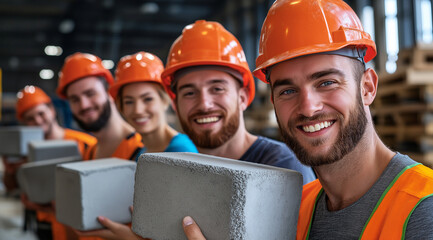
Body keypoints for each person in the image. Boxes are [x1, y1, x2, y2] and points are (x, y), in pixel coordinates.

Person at [184, 0, 433, 239]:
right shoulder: (298, 209)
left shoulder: (423, 208)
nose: (308, 108)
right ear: (273, 102)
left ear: (367, 87)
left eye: (326, 83)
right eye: (288, 91)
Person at [77, 20, 315, 240]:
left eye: (217, 89)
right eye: (189, 93)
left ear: (243, 97)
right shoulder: (181, 173)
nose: (204, 104)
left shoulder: (282, 168)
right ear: (175, 104)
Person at [11, 85, 97, 240]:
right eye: (30, 118)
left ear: (52, 110)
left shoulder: (86, 144)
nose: (37, 121)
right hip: (45, 225)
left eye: (41, 113)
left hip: (78, 227)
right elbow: (15, 188)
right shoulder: (26, 153)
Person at [57, 52, 144, 161]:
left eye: (90, 94)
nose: (84, 105)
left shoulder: (142, 148)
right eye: (75, 99)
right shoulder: (89, 153)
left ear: (109, 92)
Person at [109, 51, 197, 154]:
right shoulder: (142, 152)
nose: (138, 110)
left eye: (148, 99)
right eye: (129, 102)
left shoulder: (180, 152)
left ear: (165, 100)